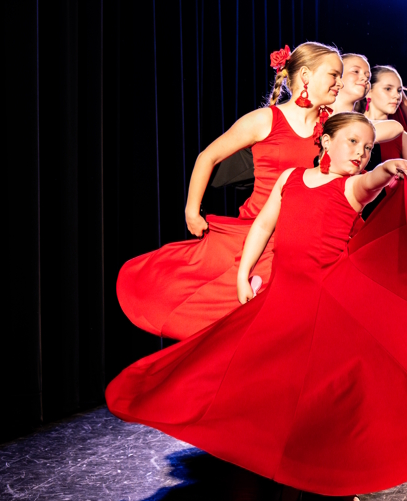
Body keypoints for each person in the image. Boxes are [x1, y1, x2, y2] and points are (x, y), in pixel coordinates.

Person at [106, 113, 407, 501]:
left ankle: (339, 489)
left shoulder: (353, 187)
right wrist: (243, 271)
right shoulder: (290, 179)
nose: (360, 152)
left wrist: (390, 167)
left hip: (330, 306)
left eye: (367, 146)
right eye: (352, 142)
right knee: (268, 389)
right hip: (283, 300)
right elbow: (264, 225)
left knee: (326, 403)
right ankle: (290, 481)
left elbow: (373, 178)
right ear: (325, 142)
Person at [117, 42, 342, 340]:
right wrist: (191, 211)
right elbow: (207, 157)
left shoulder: (329, 128)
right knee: (229, 318)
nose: (339, 83)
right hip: (253, 235)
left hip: (300, 239)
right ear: (305, 76)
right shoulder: (265, 121)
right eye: (334, 75)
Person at [363, 65, 407, 190]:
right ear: (369, 91)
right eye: (388, 89)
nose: (397, 96)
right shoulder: (350, 126)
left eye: (399, 90)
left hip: (391, 205)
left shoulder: (402, 136)